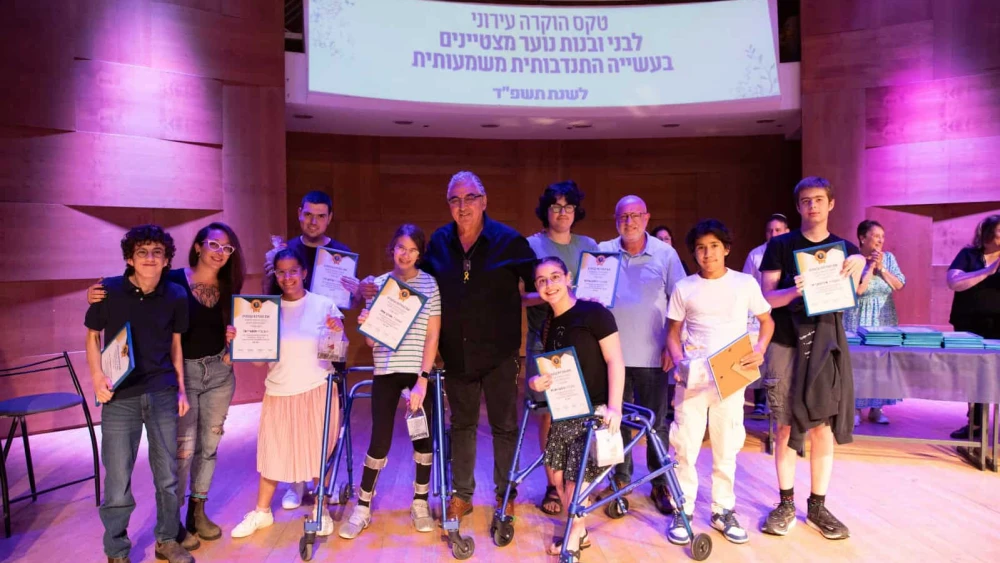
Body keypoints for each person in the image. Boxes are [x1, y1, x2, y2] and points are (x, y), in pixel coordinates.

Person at [87, 222, 246, 545]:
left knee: (209, 447)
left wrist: (234, 346)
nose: (220, 253)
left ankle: (194, 513)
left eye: (227, 248)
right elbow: (125, 296)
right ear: (198, 246)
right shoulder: (173, 280)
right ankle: (166, 528)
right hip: (176, 374)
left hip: (215, 374)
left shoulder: (229, 287)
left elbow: (233, 329)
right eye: (214, 245)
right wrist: (93, 295)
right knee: (181, 452)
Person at [418, 171, 536, 523]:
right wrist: (380, 290)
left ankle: (505, 495)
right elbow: (418, 285)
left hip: (500, 353)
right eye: (455, 200)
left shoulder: (509, 241)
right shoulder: (439, 242)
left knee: (504, 427)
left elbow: (536, 286)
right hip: (456, 354)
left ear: (484, 201)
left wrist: (523, 301)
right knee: (462, 426)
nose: (463, 206)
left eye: (470, 198)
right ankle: (462, 495)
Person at [758, 177, 865, 541]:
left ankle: (817, 505)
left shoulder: (846, 249)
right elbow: (767, 299)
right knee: (785, 425)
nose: (812, 207)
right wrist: (792, 291)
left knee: (822, 426)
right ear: (798, 206)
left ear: (831, 204)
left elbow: (857, 293)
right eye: (805, 201)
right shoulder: (780, 246)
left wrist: (860, 263)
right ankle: (786, 502)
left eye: (819, 200)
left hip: (826, 346)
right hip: (785, 344)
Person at [84, 225, 194, 563]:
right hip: (120, 396)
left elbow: (176, 345)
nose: (150, 258)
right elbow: (92, 336)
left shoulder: (176, 294)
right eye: (142, 252)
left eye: (157, 252)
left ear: (166, 260)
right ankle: (116, 548)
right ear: (130, 258)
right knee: (117, 478)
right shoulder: (109, 291)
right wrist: (96, 377)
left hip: (161, 391)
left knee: (168, 474)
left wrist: (181, 389)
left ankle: (166, 539)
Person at [665, 219, 774, 546]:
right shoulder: (685, 287)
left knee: (728, 444)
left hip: (732, 374)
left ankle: (723, 509)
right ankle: (681, 509)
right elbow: (672, 332)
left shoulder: (744, 284)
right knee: (684, 445)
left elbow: (767, 322)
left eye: (713, 246)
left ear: (726, 249)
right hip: (694, 376)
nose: (707, 253)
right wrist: (678, 362)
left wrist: (760, 350)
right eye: (700, 248)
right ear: (694, 253)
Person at [231, 248, 344, 539]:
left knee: (319, 455)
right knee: (272, 454)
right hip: (279, 391)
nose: (287, 277)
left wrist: (337, 332)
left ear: (304, 272)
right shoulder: (266, 310)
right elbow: (258, 361)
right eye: (281, 272)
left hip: (317, 389)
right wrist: (239, 340)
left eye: (293, 270)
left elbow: (337, 355)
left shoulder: (324, 305)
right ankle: (262, 512)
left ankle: (321, 510)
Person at [338, 224, 441, 539]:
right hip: (385, 369)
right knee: (379, 439)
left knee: (422, 439)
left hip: (417, 372)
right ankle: (363, 507)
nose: (405, 254)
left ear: (419, 253)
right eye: (400, 247)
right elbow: (371, 343)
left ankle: (420, 503)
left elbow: (433, 334)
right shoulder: (379, 284)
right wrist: (365, 324)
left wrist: (423, 380)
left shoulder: (430, 284)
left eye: (411, 249)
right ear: (392, 249)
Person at [263, 190, 363, 509]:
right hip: (290, 350)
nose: (314, 221)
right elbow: (268, 302)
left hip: (324, 347)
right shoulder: (285, 251)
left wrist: (357, 292)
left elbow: (348, 306)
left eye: (320, 215)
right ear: (299, 214)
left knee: (322, 422)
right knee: (291, 420)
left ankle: (322, 479)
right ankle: (295, 483)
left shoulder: (342, 253)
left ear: (330, 218)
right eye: (308, 214)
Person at [527, 257, 624, 561]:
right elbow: (554, 370)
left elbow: (615, 361)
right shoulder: (549, 323)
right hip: (565, 410)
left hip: (593, 410)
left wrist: (614, 408)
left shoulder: (594, 313)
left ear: (568, 278)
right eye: (542, 280)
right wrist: (535, 382)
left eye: (555, 277)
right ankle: (577, 528)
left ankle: (575, 532)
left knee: (573, 479)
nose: (549, 285)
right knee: (555, 476)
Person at [597, 196, 686, 515]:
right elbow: (589, 297)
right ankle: (619, 481)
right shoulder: (602, 251)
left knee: (657, 423)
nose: (629, 221)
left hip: (653, 355)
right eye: (623, 216)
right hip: (612, 358)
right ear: (615, 219)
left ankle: (660, 482)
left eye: (635, 215)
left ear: (647, 218)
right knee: (614, 421)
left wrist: (672, 345)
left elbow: (681, 302)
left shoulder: (666, 254)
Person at [522, 180, 598, 515]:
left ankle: (580, 480)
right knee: (551, 413)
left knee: (583, 412)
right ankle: (554, 486)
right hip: (546, 336)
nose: (562, 212)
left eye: (568, 206)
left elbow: (601, 291)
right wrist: (551, 291)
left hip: (583, 338)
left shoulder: (590, 245)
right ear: (546, 210)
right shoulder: (531, 245)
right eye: (555, 206)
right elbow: (520, 296)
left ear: (576, 210)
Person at [845, 219, 906, 426]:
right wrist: (870, 267)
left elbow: (899, 284)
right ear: (863, 238)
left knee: (881, 364)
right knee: (858, 364)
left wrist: (882, 268)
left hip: (884, 317)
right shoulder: (854, 260)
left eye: (882, 236)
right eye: (876, 236)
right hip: (858, 318)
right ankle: (854, 407)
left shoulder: (889, 258)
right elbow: (858, 290)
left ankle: (876, 408)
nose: (881, 240)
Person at [945, 214, 1000, 439]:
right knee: (972, 376)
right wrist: (988, 271)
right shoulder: (969, 255)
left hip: (998, 326)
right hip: (969, 325)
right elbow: (954, 282)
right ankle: (975, 424)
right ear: (987, 235)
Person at [743, 213, 790, 415]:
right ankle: (760, 401)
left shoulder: (792, 251)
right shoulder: (756, 255)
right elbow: (746, 284)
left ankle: (779, 403)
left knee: (780, 359)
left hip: (787, 314)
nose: (773, 234)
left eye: (778, 230)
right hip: (762, 315)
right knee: (763, 356)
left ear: (786, 231)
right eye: (770, 230)